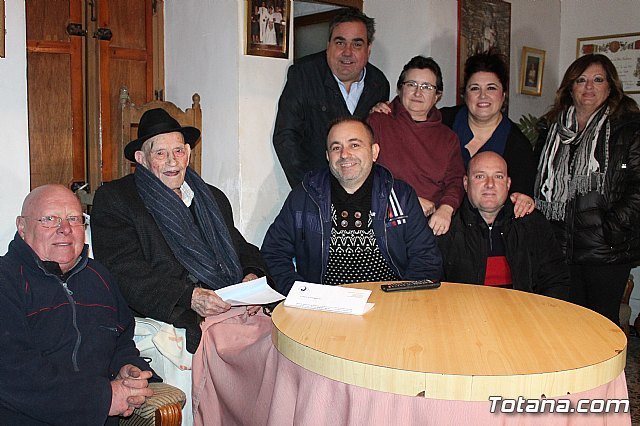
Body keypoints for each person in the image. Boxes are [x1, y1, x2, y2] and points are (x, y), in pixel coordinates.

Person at [91, 108, 268, 354]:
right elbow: (124, 272)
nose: (172, 161)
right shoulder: (116, 199)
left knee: (288, 340)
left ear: (188, 154)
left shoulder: (211, 197)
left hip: (230, 302)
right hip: (177, 314)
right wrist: (189, 297)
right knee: (262, 352)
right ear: (141, 159)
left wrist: (252, 276)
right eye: (160, 153)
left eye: (178, 151)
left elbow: (238, 246)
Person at [0, 184, 154, 425]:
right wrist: (104, 398)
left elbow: (122, 340)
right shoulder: (6, 280)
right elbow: (12, 371)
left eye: (74, 219)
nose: (65, 229)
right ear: (22, 227)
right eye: (49, 219)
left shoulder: (100, 277)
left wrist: (125, 367)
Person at [261, 117, 442, 295]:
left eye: (354, 145)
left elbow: (426, 258)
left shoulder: (401, 196)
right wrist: (302, 294)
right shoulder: (304, 197)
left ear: (374, 152)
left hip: (391, 302)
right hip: (323, 307)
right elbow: (273, 253)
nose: (344, 154)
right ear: (327, 156)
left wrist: (403, 298)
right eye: (336, 147)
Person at [534, 53, 640, 325]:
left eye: (598, 80)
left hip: (606, 249)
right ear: (571, 87)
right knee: (566, 325)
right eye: (581, 80)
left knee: (602, 327)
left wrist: (613, 227)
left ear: (611, 86)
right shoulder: (552, 128)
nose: (589, 87)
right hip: (559, 247)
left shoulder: (629, 128)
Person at [273, 7, 390, 188]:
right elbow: (286, 137)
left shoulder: (379, 83)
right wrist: (309, 188)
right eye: (340, 43)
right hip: (316, 187)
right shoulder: (304, 74)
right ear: (328, 46)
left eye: (357, 44)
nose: (347, 52)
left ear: (368, 50)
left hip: (362, 190)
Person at [438, 152, 570, 299]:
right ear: (465, 183)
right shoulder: (445, 227)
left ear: (508, 184)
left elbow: (556, 279)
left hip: (523, 310)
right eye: (480, 176)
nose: (490, 184)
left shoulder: (531, 223)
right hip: (464, 310)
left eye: (498, 176)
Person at [368, 56, 465, 236]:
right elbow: (363, 173)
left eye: (427, 87)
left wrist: (446, 209)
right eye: (411, 84)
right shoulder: (378, 122)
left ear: (438, 95)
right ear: (400, 88)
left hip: (431, 225)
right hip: (385, 222)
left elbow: (456, 180)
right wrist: (406, 201)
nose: (418, 93)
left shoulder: (448, 137)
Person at [440, 52, 537, 218]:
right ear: (465, 95)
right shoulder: (441, 122)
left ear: (503, 95)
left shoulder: (518, 146)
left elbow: (520, 199)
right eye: (475, 88)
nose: (482, 95)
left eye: (491, 88)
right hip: (437, 220)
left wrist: (523, 200)